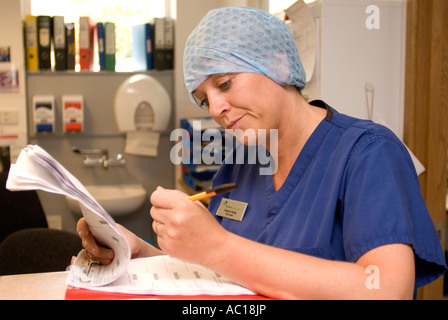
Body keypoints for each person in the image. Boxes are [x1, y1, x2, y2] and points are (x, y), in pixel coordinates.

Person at [77, 6, 447, 299]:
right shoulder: (241, 164)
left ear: (278, 63)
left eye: (225, 83)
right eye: (205, 98)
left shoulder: (368, 153)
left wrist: (217, 246)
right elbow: (225, 273)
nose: (216, 109)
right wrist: (140, 253)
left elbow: (385, 289)